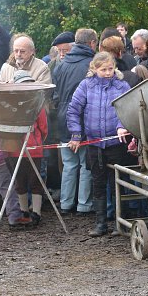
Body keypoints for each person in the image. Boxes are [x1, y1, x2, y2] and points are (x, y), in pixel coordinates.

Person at [66, 52, 133, 237]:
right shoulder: (86, 85)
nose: (108, 73)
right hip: (94, 144)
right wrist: (76, 134)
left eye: (110, 68)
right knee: (98, 183)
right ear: (94, 69)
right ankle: (100, 223)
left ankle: (121, 223)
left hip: (117, 143)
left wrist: (122, 126)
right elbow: (73, 110)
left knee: (118, 183)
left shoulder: (122, 85)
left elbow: (129, 107)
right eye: (103, 69)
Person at [52, 28, 96, 215]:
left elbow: (54, 96)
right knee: (85, 164)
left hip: (63, 118)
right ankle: (84, 204)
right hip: (85, 118)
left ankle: (66, 203)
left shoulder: (60, 65)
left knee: (69, 164)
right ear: (92, 43)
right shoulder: (91, 64)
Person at [9, 71, 48, 226]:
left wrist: (37, 141)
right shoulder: (14, 104)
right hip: (19, 148)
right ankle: (26, 211)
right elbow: (44, 129)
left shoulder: (37, 105)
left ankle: (34, 212)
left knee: (32, 180)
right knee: (22, 180)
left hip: (29, 148)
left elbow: (43, 128)